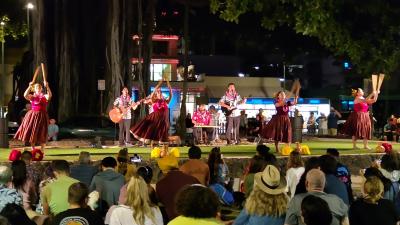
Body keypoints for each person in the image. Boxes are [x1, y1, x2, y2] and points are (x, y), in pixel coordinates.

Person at [130, 79, 172, 153]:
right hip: (155, 120)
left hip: (163, 121)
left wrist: (168, 82)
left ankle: (165, 152)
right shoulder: (153, 100)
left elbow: (171, 93)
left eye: (160, 92)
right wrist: (159, 83)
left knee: (164, 136)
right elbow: (153, 92)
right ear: (156, 94)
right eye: (158, 92)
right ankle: (153, 152)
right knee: (153, 135)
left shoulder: (166, 101)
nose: (159, 93)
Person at [156, 155, 200, 222]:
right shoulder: (193, 180)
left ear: (163, 170)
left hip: (172, 221)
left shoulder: (160, 184)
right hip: (195, 220)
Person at [14, 80, 52, 152]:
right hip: (33, 115)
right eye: (37, 87)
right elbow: (25, 95)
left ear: (41, 89)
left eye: (40, 87)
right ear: (34, 89)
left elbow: (50, 96)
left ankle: (42, 149)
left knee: (43, 132)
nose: (39, 88)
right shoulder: (32, 97)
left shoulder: (44, 96)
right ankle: (33, 148)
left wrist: (47, 87)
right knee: (33, 131)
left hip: (42, 115)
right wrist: (29, 86)